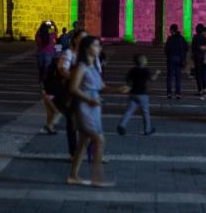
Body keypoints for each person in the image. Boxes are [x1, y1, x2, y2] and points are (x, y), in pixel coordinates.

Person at [67, 35, 129, 187]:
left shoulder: (94, 65)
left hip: (94, 107)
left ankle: (73, 176)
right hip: (84, 106)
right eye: (96, 45)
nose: (99, 48)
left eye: (99, 46)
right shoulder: (81, 66)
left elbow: (101, 87)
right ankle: (97, 178)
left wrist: (117, 90)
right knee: (99, 139)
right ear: (87, 48)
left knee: (83, 142)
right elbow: (73, 88)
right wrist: (89, 100)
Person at [54, 30, 84, 157]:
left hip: (86, 93)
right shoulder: (69, 53)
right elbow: (62, 70)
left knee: (90, 125)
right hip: (72, 93)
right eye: (82, 38)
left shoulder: (89, 54)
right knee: (72, 124)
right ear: (75, 39)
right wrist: (77, 75)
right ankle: (74, 153)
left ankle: (93, 152)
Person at [117, 54, 160, 136]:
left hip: (133, 93)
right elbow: (152, 79)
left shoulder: (132, 70)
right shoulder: (146, 70)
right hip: (142, 94)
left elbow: (127, 80)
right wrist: (157, 73)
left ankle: (122, 125)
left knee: (130, 110)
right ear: (144, 62)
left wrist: (128, 87)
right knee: (145, 112)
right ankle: (147, 129)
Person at [164, 24, 188, 99]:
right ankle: (178, 93)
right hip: (179, 59)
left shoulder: (170, 38)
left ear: (172, 30)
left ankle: (169, 93)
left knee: (170, 77)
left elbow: (166, 49)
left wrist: (169, 54)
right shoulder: (181, 38)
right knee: (178, 77)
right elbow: (186, 48)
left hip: (171, 59)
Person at [191, 24, 206, 94]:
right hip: (204, 57)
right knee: (204, 74)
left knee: (198, 74)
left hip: (197, 57)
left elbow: (193, 48)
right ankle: (204, 88)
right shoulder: (204, 38)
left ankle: (200, 90)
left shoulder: (195, 38)